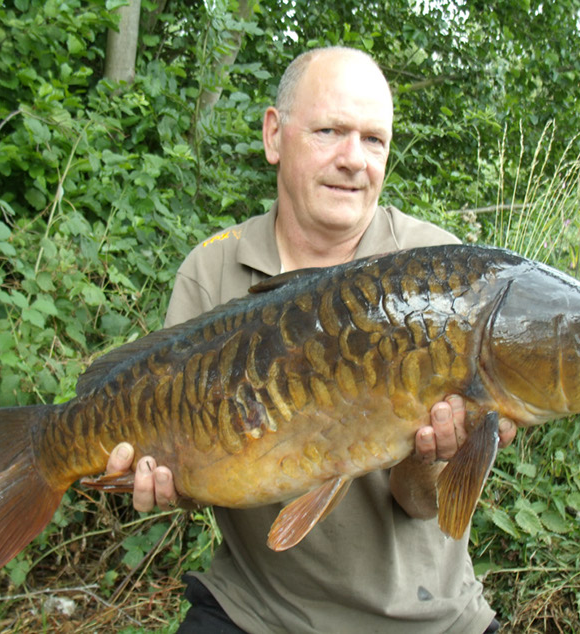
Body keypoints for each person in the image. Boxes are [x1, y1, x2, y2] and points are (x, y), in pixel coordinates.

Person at [106, 46, 517, 633]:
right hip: (255, 612)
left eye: (374, 140)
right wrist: (161, 476)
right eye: (330, 131)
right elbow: (201, 476)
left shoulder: (442, 276)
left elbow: (423, 504)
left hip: (424, 618)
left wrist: (437, 454)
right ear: (275, 135)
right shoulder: (212, 271)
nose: (354, 160)